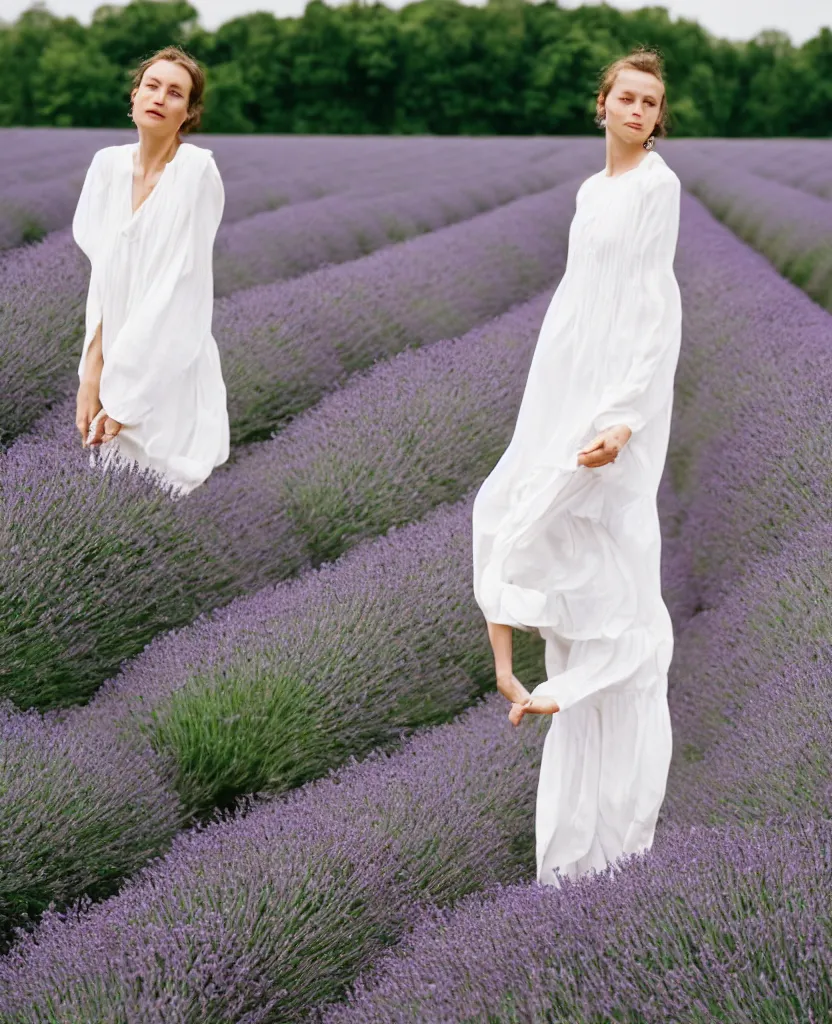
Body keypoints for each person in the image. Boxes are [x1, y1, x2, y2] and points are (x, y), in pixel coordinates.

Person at [471, 48, 682, 888]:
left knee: (613, 565)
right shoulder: (593, 191)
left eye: (651, 103)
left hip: (611, 403)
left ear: (658, 117)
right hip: (565, 387)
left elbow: (652, 307)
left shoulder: (655, 189)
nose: (637, 111)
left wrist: (624, 417)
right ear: (601, 105)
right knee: (512, 516)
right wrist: (555, 402)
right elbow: (581, 304)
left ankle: (616, 834)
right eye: (626, 98)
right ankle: (531, 685)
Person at [73, 45, 230, 497]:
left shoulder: (196, 172)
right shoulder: (107, 166)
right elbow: (103, 281)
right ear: (135, 95)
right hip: (114, 362)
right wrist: (92, 374)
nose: (160, 97)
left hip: (167, 365)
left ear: (189, 112)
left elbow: (181, 292)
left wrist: (128, 400)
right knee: (108, 495)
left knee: (162, 493)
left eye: (175, 93)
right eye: (152, 86)